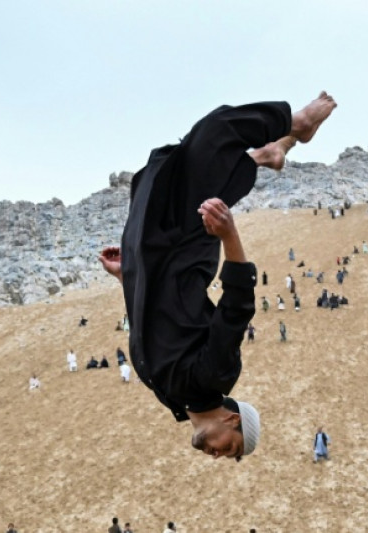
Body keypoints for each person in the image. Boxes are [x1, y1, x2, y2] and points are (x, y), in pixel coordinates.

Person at [98, 92, 336, 461]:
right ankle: (296, 125)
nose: (219, 455)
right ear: (232, 418)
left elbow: (155, 318)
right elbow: (236, 309)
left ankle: (263, 156)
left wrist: (126, 278)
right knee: (215, 132)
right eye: (232, 448)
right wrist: (229, 235)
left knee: (163, 169)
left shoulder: (171, 397)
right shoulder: (216, 377)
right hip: (181, 248)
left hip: (146, 252)